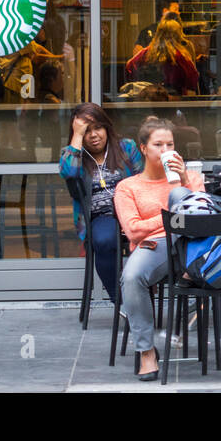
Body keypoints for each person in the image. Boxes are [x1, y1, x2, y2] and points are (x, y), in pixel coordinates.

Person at [114, 116, 205, 380]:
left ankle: (195, 277)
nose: (166, 151)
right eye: (158, 145)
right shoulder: (128, 187)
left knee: (181, 198)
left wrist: (183, 180)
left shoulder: (191, 179)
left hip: (193, 243)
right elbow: (132, 229)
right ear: (143, 148)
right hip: (157, 246)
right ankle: (146, 351)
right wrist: (169, 219)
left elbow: (202, 216)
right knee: (131, 277)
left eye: (170, 144)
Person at [57, 103, 143, 302]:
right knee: (104, 241)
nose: (93, 135)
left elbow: (142, 178)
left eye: (98, 128)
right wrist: (76, 137)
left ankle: (143, 296)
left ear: (107, 127)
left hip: (133, 212)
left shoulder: (126, 147)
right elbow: (69, 173)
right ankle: (121, 300)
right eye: (86, 131)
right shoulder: (73, 155)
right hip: (101, 217)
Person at [126, 18, 199, 96]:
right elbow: (192, 79)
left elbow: (129, 66)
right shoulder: (181, 56)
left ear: (158, 33)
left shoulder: (145, 52)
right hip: (173, 100)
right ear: (178, 35)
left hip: (150, 100)